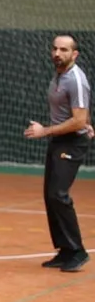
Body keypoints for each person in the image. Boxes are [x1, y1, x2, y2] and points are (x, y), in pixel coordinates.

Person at [24, 34, 92, 273]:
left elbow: (79, 118)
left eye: (64, 49)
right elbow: (80, 110)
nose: (57, 53)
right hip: (59, 140)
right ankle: (64, 250)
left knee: (59, 194)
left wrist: (46, 131)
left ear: (74, 54)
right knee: (50, 196)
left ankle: (78, 251)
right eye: (54, 48)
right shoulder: (59, 74)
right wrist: (85, 121)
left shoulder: (75, 79)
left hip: (72, 143)